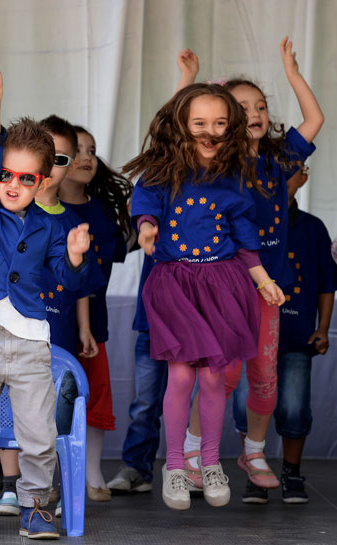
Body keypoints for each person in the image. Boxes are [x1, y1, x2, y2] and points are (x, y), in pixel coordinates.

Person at [0, 60, 92, 542]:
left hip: (31, 344)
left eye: (27, 178)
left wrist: (74, 256)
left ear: (43, 181)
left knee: (39, 435)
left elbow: (67, 280)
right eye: (7, 174)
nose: (13, 184)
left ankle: (35, 509)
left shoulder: (52, 226)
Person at [126, 82, 285, 510]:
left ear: (231, 128)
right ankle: (175, 466)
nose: (210, 132)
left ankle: (210, 462)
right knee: (180, 376)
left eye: (219, 124)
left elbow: (245, 238)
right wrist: (146, 227)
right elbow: (145, 201)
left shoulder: (233, 178)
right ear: (181, 125)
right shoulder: (162, 171)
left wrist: (263, 280)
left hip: (222, 284)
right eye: (199, 123)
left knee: (214, 377)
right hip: (176, 284)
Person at [179, 38, 324, 500]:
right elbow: (177, 129)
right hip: (224, 288)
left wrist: (292, 73)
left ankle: (254, 452)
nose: (256, 113)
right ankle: (193, 450)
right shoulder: (213, 164)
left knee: (264, 376)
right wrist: (187, 82)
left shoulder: (278, 161)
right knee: (219, 375)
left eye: (260, 106)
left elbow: (315, 120)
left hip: (266, 290)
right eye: (243, 108)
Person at [58, 125, 132, 501]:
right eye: (77, 150)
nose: (86, 157)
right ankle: (48, 478)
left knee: (95, 394)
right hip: (52, 320)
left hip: (94, 319)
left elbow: (121, 248)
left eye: (91, 150)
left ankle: (91, 474)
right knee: (52, 397)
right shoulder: (45, 209)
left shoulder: (102, 210)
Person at [272, 165, 334, 503]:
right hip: (253, 339)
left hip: (297, 337)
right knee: (244, 406)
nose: (281, 178)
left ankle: (291, 473)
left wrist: (322, 329)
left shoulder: (313, 228)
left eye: (290, 171)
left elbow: (327, 283)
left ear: (304, 177)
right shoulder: (250, 223)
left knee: (294, 408)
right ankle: (255, 474)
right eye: (273, 171)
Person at [106, 254, 165, 494]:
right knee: (144, 403)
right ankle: (137, 469)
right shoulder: (151, 228)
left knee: (195, 402)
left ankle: (193, 469)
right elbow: (129, 239)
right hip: (153, 320)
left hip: (193, 323)